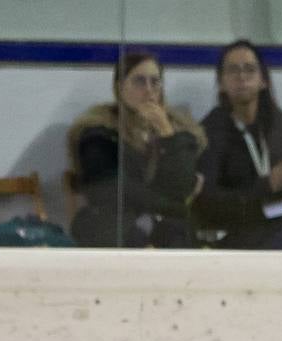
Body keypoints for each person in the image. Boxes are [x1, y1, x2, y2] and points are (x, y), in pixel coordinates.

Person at [66, 50, 205, 248]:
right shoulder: (98, 132)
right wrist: (174, 205)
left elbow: (182, 186)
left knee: (177, 233)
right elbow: (112, 191)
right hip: (116, 225)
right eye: (139, 81)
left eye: (155, 82)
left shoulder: (180, 131)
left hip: (167, 226)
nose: (149, 90)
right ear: (120, 87)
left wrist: (167, 134)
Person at [194, 40, 282, 249]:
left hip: (279, 220)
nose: (242, 76)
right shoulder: (209, 132)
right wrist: (266, 186)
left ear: (263, 81)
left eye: (249, 69)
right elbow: (209, 202)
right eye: (233, 70)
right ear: (221, 83)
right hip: (238, 227)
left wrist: (272, 202)